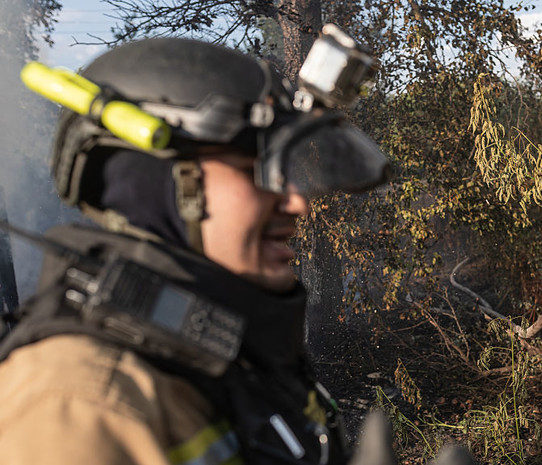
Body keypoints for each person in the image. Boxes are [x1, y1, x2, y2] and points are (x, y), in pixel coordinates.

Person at [0, 35, 392, 464]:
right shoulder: (81, 400)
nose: (297, 202)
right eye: (253, 170)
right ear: (162, 188)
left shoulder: (220, 350)